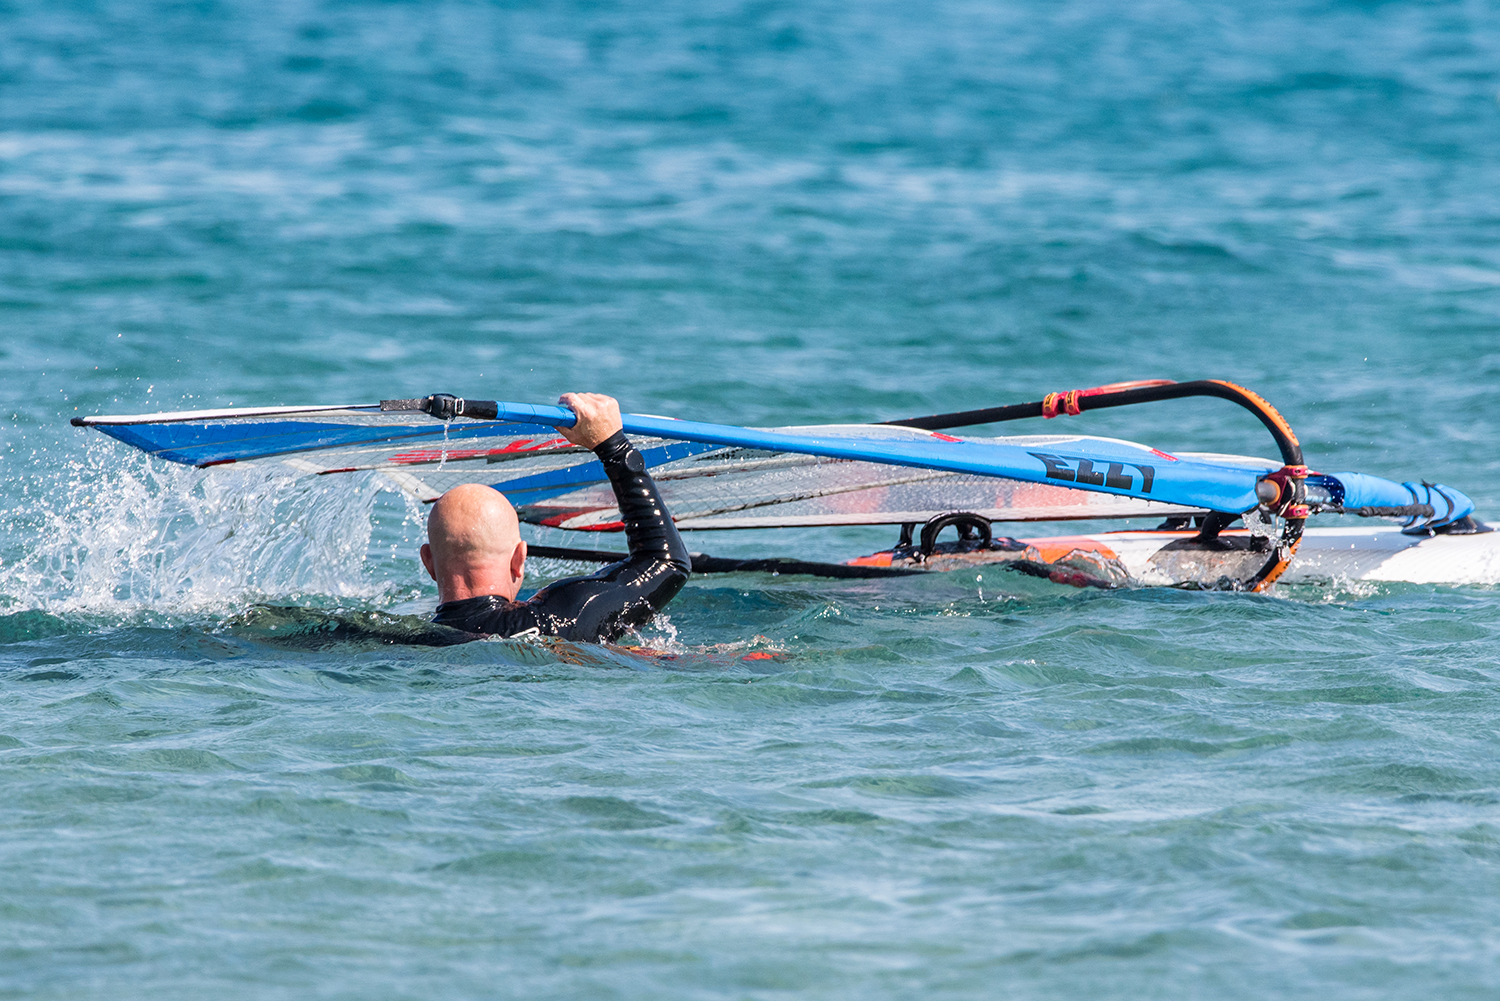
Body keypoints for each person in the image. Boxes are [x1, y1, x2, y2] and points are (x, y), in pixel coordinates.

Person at [420, 392, 691, 643]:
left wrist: (615, 447)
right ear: (519, 559)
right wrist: (613, 445)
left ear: (428, 562)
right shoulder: (556, 618)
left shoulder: (405, 638)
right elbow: (666, 562)